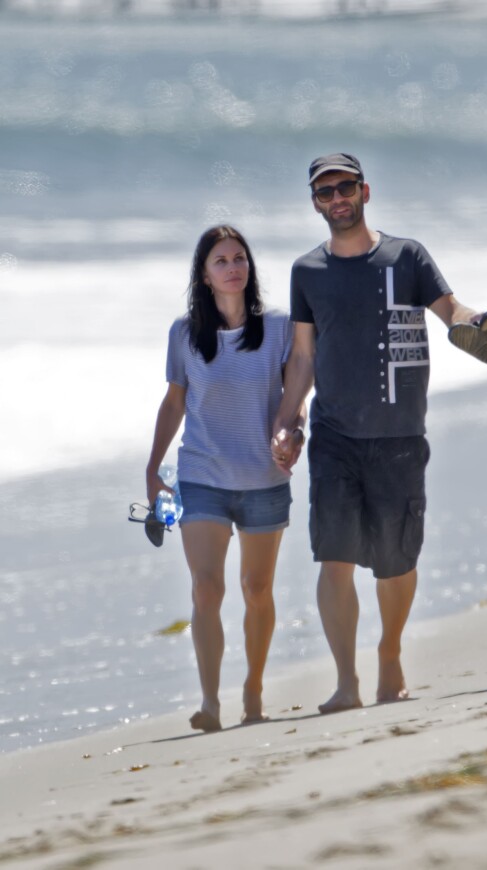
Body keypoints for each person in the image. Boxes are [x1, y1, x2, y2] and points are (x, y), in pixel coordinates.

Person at [271, 153, 487, 715]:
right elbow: (305, 355)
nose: (336, 198)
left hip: (399, 434)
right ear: (315, 202)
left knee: (396, 561)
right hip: (336, 434)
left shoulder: (406, 256)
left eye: (345, 187)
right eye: (325, 192)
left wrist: (477, 323)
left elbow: (450, 307)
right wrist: (289, 419)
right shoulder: (307, 272)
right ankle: (346, 682)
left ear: (365, 191)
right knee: (332, 556)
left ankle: (389, 654)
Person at [146, 225, 306, 732]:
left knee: (257, 590)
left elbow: (295, 394)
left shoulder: (278, 328)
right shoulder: (184, 333)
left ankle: (253, 690)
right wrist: (153, 467)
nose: (233, 267)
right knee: (206, 589)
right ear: (204, 273)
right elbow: (174, 403)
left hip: (264, 477)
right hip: (201, 474)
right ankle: (210, 702)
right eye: (221, 260)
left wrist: (292, 433)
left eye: (240, 258)